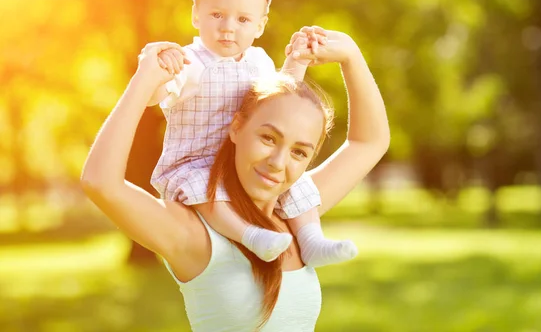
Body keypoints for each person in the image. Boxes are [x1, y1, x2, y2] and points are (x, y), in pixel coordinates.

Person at [80, 27, 390, 331]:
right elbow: (101, 182)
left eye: (298, 152)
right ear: (237, 128)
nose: (277, 163)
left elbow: (369, 142)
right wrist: (144, 81)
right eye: (268, 138)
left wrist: (351, 55)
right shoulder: (194, 234)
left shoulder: (294, 216)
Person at [148, 0, 356, 267]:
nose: (228, 27)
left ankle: (311, 239)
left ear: (260, 25)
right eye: (217, 14)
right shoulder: (189, 62)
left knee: (295, 181)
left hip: (244, 161)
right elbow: (153, 96)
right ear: (196, 15)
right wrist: (156, 69)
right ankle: (250, 236)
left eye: (243, 19)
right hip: (194, 163)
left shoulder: (258, 61)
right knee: (206, 188)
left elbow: (281, 99)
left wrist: (297, 60)